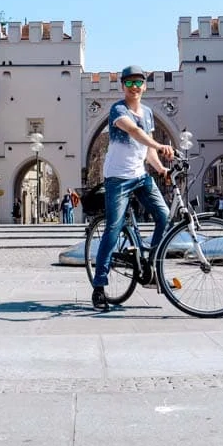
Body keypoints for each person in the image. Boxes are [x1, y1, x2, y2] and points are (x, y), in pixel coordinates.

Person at [91, 65, 174, 311]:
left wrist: (161, 168)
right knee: (113, 229)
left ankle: (152, 267)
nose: (134, 87)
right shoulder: (118, 110)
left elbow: (147, 150)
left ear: (145, 86)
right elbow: (134, 131)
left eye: (138, 83)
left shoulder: (147, 112)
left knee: (164, 216)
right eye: (129, 83)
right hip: (117, 178)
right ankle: (99, 286)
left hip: (140, 176)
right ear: (123, 86)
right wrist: (160, 145)